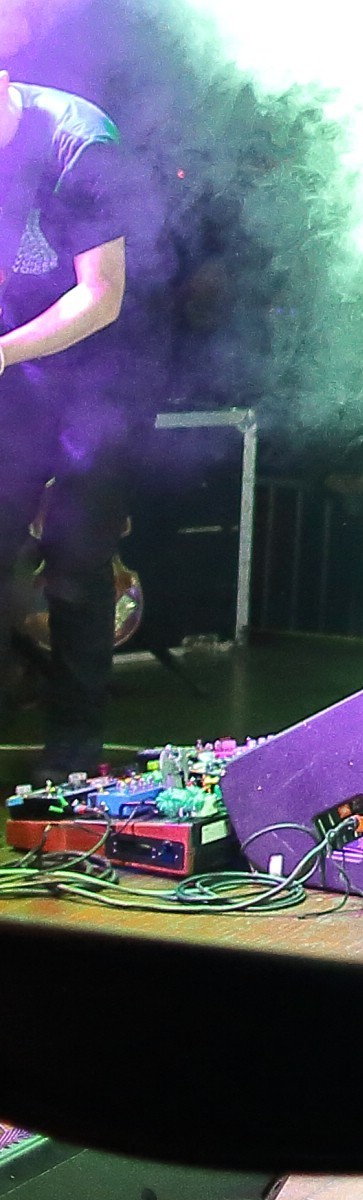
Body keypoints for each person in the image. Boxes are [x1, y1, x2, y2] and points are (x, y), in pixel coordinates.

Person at [0, 71, 135, 777]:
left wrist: (3, 352)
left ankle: (72, 764)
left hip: (100, 373)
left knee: (77, 567)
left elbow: (101, 296)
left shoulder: (80, 143)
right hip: (14, 366)